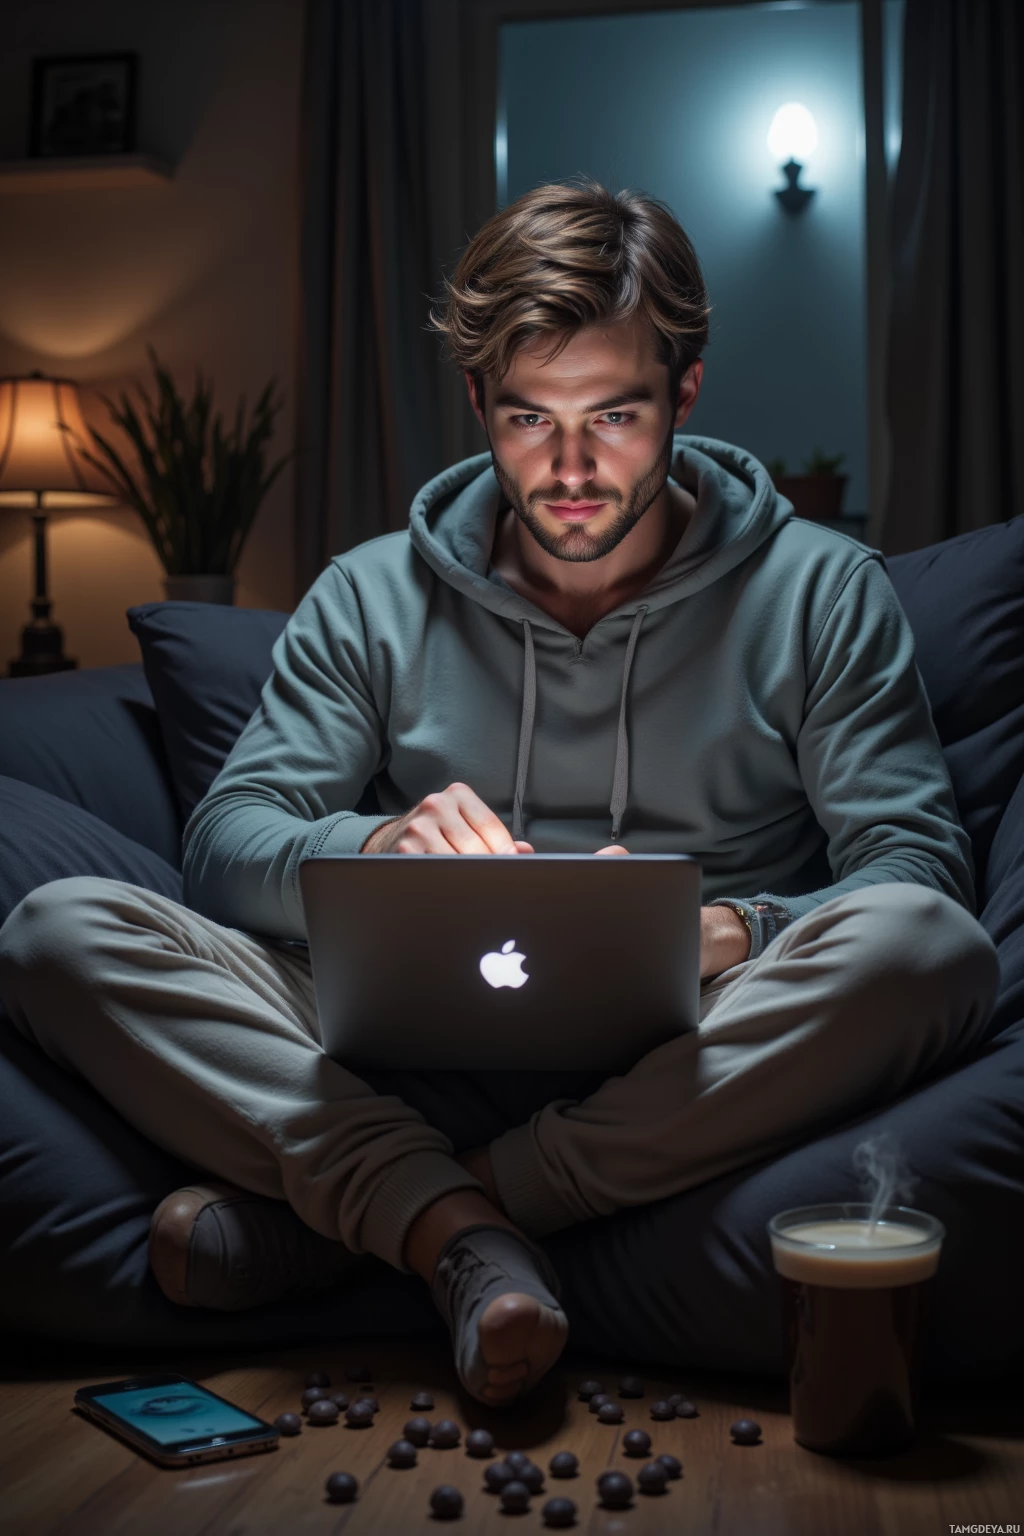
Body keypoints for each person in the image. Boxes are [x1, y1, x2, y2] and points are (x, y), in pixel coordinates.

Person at [0, 177, 999, 1408]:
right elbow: (223, 847)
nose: (570, 469)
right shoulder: (368, 594)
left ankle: (411, 1223)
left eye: (617, 416)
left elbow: (916, 871)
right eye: (529, 419)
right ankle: (461, 1221)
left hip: (694, 1051)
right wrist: (376, 846)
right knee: (56, 929)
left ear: (685, 392)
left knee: (930, 950)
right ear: (476, 400)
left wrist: (731, 932)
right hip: (395, 1046)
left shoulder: (820, 589)